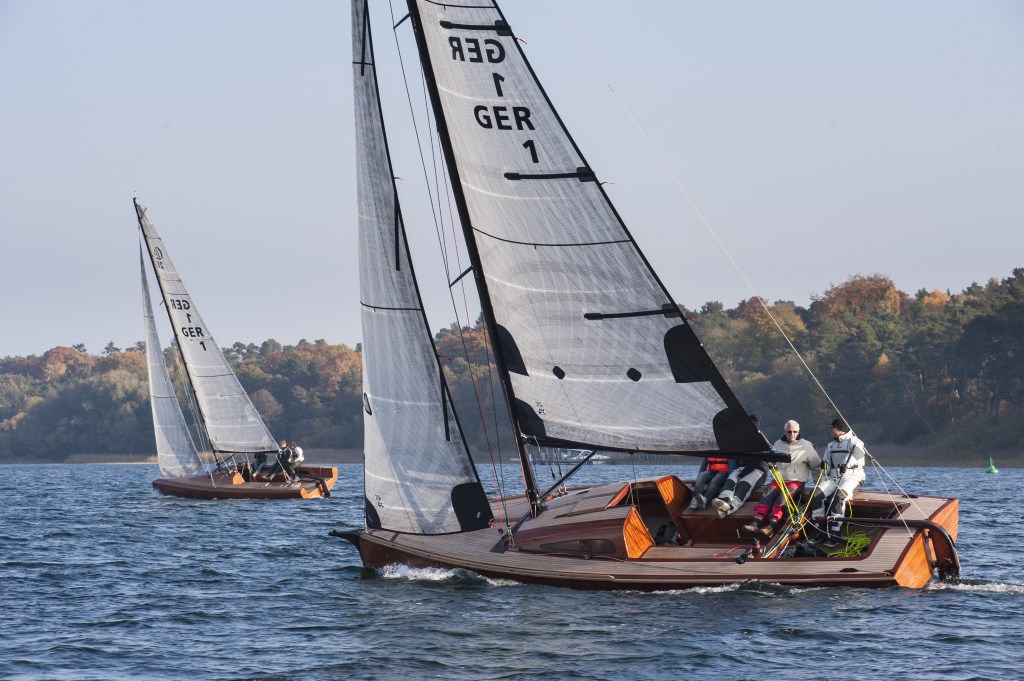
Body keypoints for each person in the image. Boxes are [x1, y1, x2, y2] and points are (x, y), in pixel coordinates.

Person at [741, 420, 820, 538]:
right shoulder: (777, 444)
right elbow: (772, 461)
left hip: (796, 481)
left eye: (795, 432)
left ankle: (771, 526)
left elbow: (816, 465)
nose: (792, 434)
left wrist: (818, 482)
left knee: (782, 498)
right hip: (778, 480)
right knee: (767, 494)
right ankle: (755, 523)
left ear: (799, 432)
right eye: (789, 432)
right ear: (785, 432)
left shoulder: (806, 446)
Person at [809, 417, 867, 534]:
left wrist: (845, 465)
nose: (829, 429)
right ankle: (819, 527)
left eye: (832, 427)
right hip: (833, 478)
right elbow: (827, 463)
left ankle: (836, 530)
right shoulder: (830, 445)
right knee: (815, 495)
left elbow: (855, 455)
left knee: (837, 497)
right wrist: (825, 466)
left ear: (840, 429)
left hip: (852, 478)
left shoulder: (856, 442)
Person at [710, 413, 768, 519]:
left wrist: (741, 475)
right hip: (743, 468)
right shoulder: (743, 440)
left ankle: (729, 509)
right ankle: (724, 500)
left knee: (743, 484)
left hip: (758, 470)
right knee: (731, 478)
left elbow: (755, 462)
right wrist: (737, 473)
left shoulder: (761, 441)